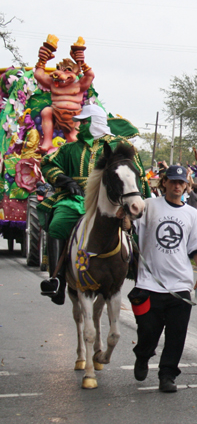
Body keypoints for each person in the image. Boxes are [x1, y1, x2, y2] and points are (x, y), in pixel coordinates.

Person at [38, 103, 150, 305]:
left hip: (111, 201)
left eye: (83, 121)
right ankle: (58, 279)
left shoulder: (119, 145)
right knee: (57, 225)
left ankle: (141, 279)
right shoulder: (69, 148)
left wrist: (142, 199)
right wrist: (65, 180)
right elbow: (47, 163)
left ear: (95, 122)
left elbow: (138, 173)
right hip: (74, 200)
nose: (78, 126)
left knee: (133, 228)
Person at [130, 165, 197, 392]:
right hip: (148, 283)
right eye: (172, 181)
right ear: (163, 183)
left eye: (180, 182)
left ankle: (168, 375)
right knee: (147, 332)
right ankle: (143, 356)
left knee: (176, 335)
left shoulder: (192, 214)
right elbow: (128, 222)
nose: (176, 185)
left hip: (180, 286)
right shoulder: (148, 206)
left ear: (186, 186)